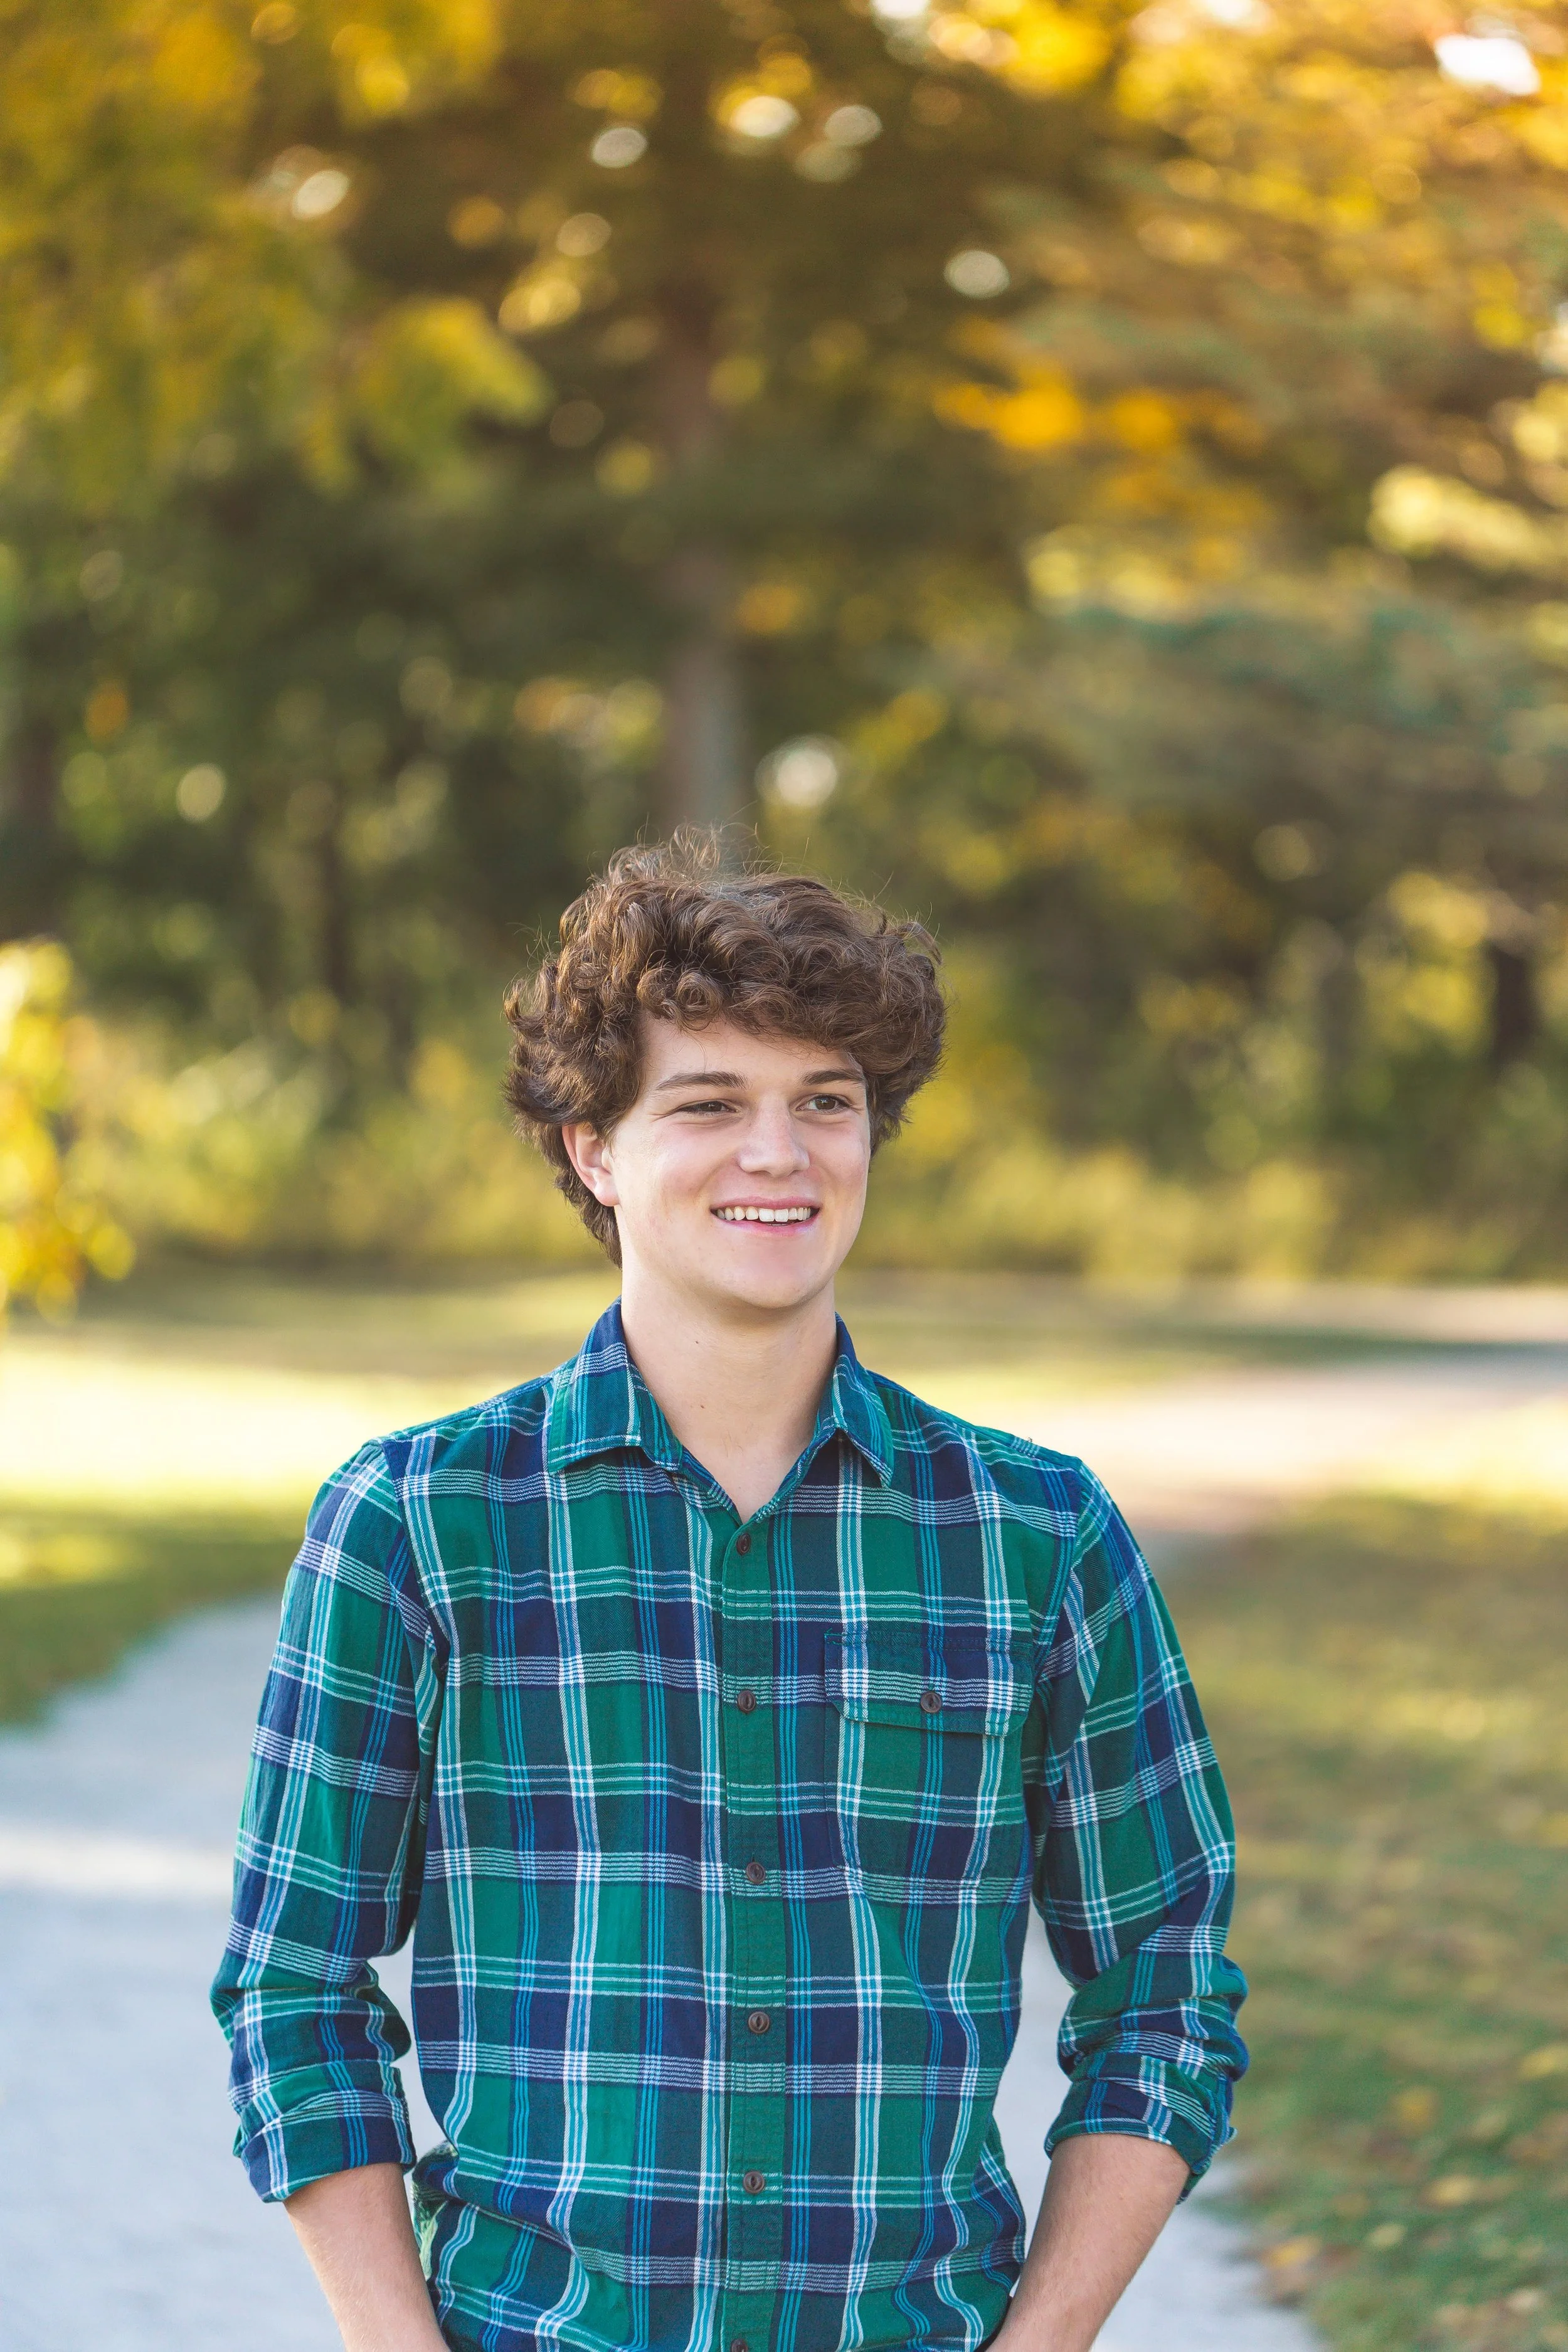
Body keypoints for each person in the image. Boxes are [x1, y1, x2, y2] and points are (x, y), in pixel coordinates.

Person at [213, 837, 1247, 2352]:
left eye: (824, 1105)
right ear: (591, 1149)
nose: (780, 1155)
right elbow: (293, 1993)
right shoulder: (419, 1523)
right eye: (707, 1104)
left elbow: (1164, 1992)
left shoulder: (1036, 1534)